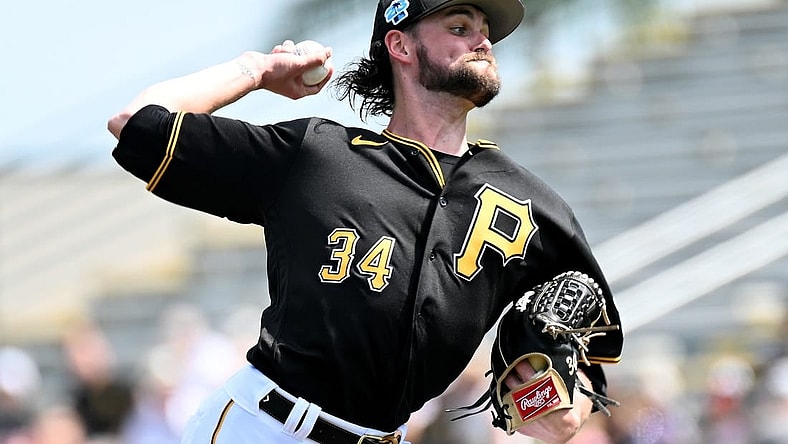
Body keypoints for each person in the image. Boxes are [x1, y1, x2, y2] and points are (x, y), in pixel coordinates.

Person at [107, 0, 623, 443]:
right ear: (400, 46)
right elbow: (136, 126)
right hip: (269, 427)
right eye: (459, 27)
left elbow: (580, 381)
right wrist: (257, 71)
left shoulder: (532, 205)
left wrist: (549, 409)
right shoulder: (318, 157)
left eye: (484, 31)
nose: (482, 41)